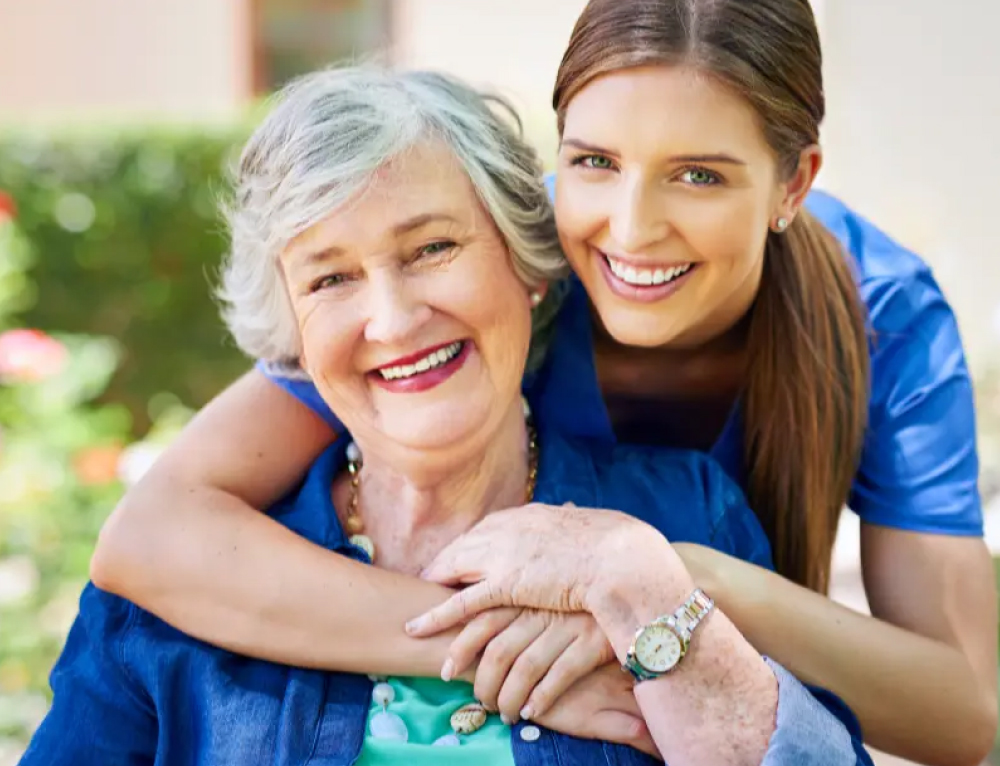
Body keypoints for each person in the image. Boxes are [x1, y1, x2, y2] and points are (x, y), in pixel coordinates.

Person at [90, 1, 998, 764]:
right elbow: (155, 535)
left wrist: (665, 584)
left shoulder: (882, 313)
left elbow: (969, 711)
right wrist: (494, 649)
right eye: (594, 160)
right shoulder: (496, 273)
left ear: (792, 184)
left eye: (699, 175)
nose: (631, 229)